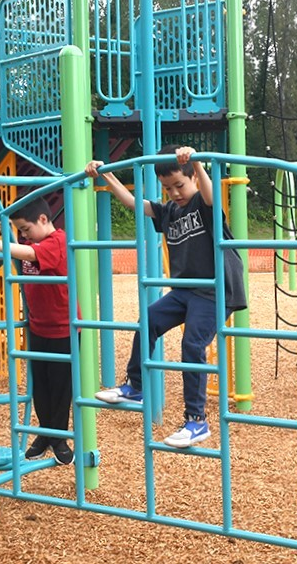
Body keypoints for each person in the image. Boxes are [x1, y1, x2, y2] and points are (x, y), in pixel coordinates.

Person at [85, 145, 247, 448]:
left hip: (214, 290)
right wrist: (106, 175)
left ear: (193, 181)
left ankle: (196, 421)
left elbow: (211, 197)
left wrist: (196, 163)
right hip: (185, 290)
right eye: (167, 188)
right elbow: (135, 204)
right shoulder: (169, 210)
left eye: (179, 185)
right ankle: (135, 385)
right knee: (147, 321)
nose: (174, 193)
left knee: (192, 344)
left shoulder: (203, 202)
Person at [0, 196, 74, 466]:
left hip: (63, 327)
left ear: (43, 219)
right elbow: (25, 249)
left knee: (60, 385)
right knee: (40, 385)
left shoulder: (57, 241)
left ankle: (59, 437)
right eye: (20, 231)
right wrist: (7, 230)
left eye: (26, 229)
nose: (23, 235)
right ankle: (45, 434)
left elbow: (31, 254)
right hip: (38, 325)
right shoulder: (29, 242)